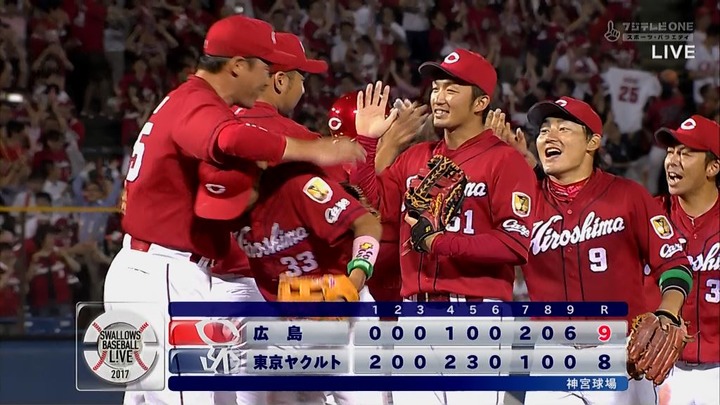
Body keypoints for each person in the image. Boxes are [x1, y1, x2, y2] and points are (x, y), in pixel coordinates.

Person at [102, 16, 365, 405]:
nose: (267, 79)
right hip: (163, 273)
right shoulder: (197, 102)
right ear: (238, 65)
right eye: (264, 67)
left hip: (143, 269)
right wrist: (311, 149)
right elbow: (230, 138)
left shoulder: (183, 99)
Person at [350, 49, 538, 405]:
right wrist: (367, 142)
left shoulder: (505, 161)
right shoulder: (416, 157)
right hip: (415, 313)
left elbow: (514, 245)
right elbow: (375, 206)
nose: (438, 97)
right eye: (436, 87)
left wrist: (440, 242)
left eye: (452, 89)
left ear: (480, 102)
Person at [494, 97, 693, 405]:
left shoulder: (628, 196)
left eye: (563, 128)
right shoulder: (524, 200)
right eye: (544, 130)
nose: (550, 136)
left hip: (621, 353)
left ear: (592, 142)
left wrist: (667, 311)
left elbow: (675, 264)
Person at [652, 115, 719, 405]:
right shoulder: (650, 214)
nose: (672, 161)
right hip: (663, 369)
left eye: (685, 153)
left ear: (713, 167)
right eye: (670, 152)